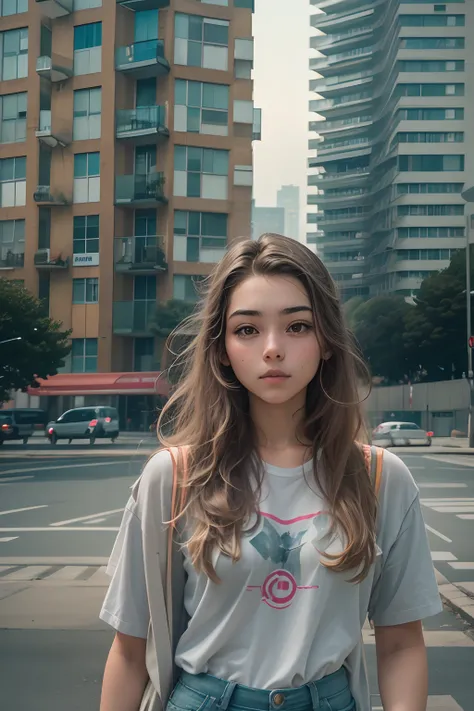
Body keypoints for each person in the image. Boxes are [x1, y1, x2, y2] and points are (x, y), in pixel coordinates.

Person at [99, 234, 442, 711]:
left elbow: (402, 641)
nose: (274, 349)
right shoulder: (173, 478)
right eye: (247, 330)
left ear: (326, 342)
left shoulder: (380, 477)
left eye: (298, 326)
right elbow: (129, 651)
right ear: (221, 349)